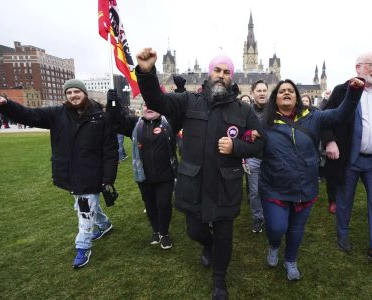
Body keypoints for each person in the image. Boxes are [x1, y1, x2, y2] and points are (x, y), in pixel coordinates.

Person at [135, 47, 264, 300]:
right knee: (194, 230)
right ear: (209, 73)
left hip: (225, 186)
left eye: (226, 72)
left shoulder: (243, 110)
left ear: (232, 77)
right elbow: (155, 101)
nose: (221, 75)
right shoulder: (188, 101)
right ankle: (208, 244)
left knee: (225, 236)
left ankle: (219, 279)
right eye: (217, 70)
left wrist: (237, 147)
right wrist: (147, 72)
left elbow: (261, 143)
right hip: (193, 182)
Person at [0, 79, 118, 269]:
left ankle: (83, 247)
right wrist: (6, 105)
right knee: (84, 205)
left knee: (84, 211)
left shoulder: (100, 116)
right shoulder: (57, 114)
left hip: (91, 174)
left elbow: (110, 150)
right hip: (68, 173)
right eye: (69, 92)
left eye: (76, 91)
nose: (73, 95)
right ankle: (105, 225)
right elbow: (28, 115)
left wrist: (108, 179)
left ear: (85, 93)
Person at [260, 78, 364, 281]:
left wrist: (353, 93)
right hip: (274, 185)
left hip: (304, 185)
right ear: (276, 97)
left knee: (296, 228)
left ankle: (291, 260)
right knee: (277, 227)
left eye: (291, 90)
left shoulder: (313, 117)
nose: (287, 93)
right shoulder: (265, 122)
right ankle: (273, 244)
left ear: (297, 97)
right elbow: (250, 141)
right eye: (282, 91)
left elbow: (341, 114)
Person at [320, 52, 372, 269]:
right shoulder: (342, 90)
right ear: (358, 68)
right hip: (349, 159)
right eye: (371, 64)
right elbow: (324, 120)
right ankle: (343, 235)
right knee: (344, 200)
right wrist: (330, 142)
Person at [107, 96, 181, 250]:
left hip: (166, 175)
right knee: (150, 204)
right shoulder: (135, 124)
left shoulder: (169, 122)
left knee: (163, 204)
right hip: (143, 176)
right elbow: (115, 122)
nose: (149, 107)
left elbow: (181, 112)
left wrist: (179, 91)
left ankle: (164, 233)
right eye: (146, 104)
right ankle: (156, 231)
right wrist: (112, 103)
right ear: (142, 108)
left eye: (153, 103)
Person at [247, 80, 268, 233]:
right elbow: (240, 132)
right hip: (253, 157)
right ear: (253, 92)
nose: (262, 93)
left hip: (270, 158)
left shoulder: (274, 111)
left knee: (271, 190)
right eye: (259, 91)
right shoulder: (246, 111)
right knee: (255, 192)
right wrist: (249, 134)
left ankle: (271, 217)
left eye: (264, 90)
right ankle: (258, 218)